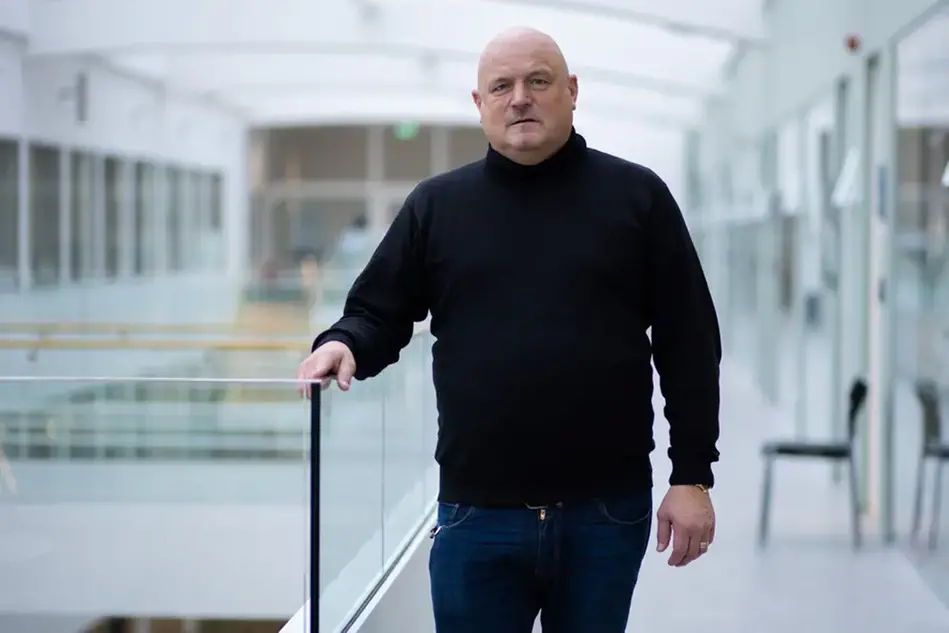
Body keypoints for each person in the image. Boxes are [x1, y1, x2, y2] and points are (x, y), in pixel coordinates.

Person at [298, 26, 721, 633]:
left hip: (604, 514)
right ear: (480, 104)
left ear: (572, 91)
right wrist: (343, 343)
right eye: (501, 87)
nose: (520, 98)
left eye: (538, 81)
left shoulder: (638, 198)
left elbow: (690, 342)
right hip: (477, 516)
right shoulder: (437, 206)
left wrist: (692, 475)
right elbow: (377, 311)